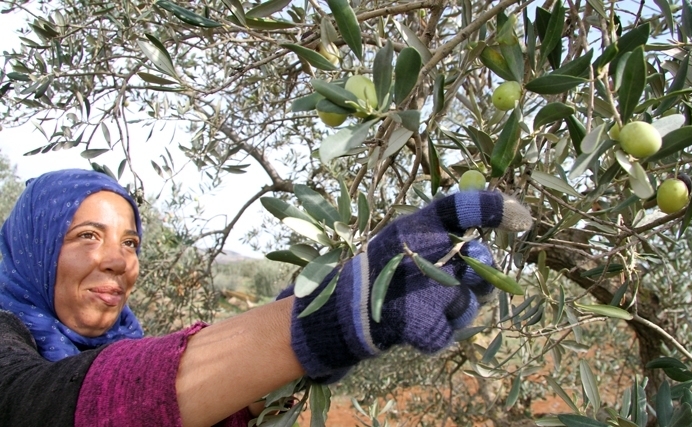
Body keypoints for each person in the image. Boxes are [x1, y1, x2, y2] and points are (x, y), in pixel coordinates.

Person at [0, 168, 532, 427]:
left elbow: (192, 406)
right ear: (34, 247)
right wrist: (324, 317)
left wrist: (339, 323)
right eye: (86, 236)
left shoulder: (121, 342)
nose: (119, 259)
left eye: (130, 242)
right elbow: (46, 405)